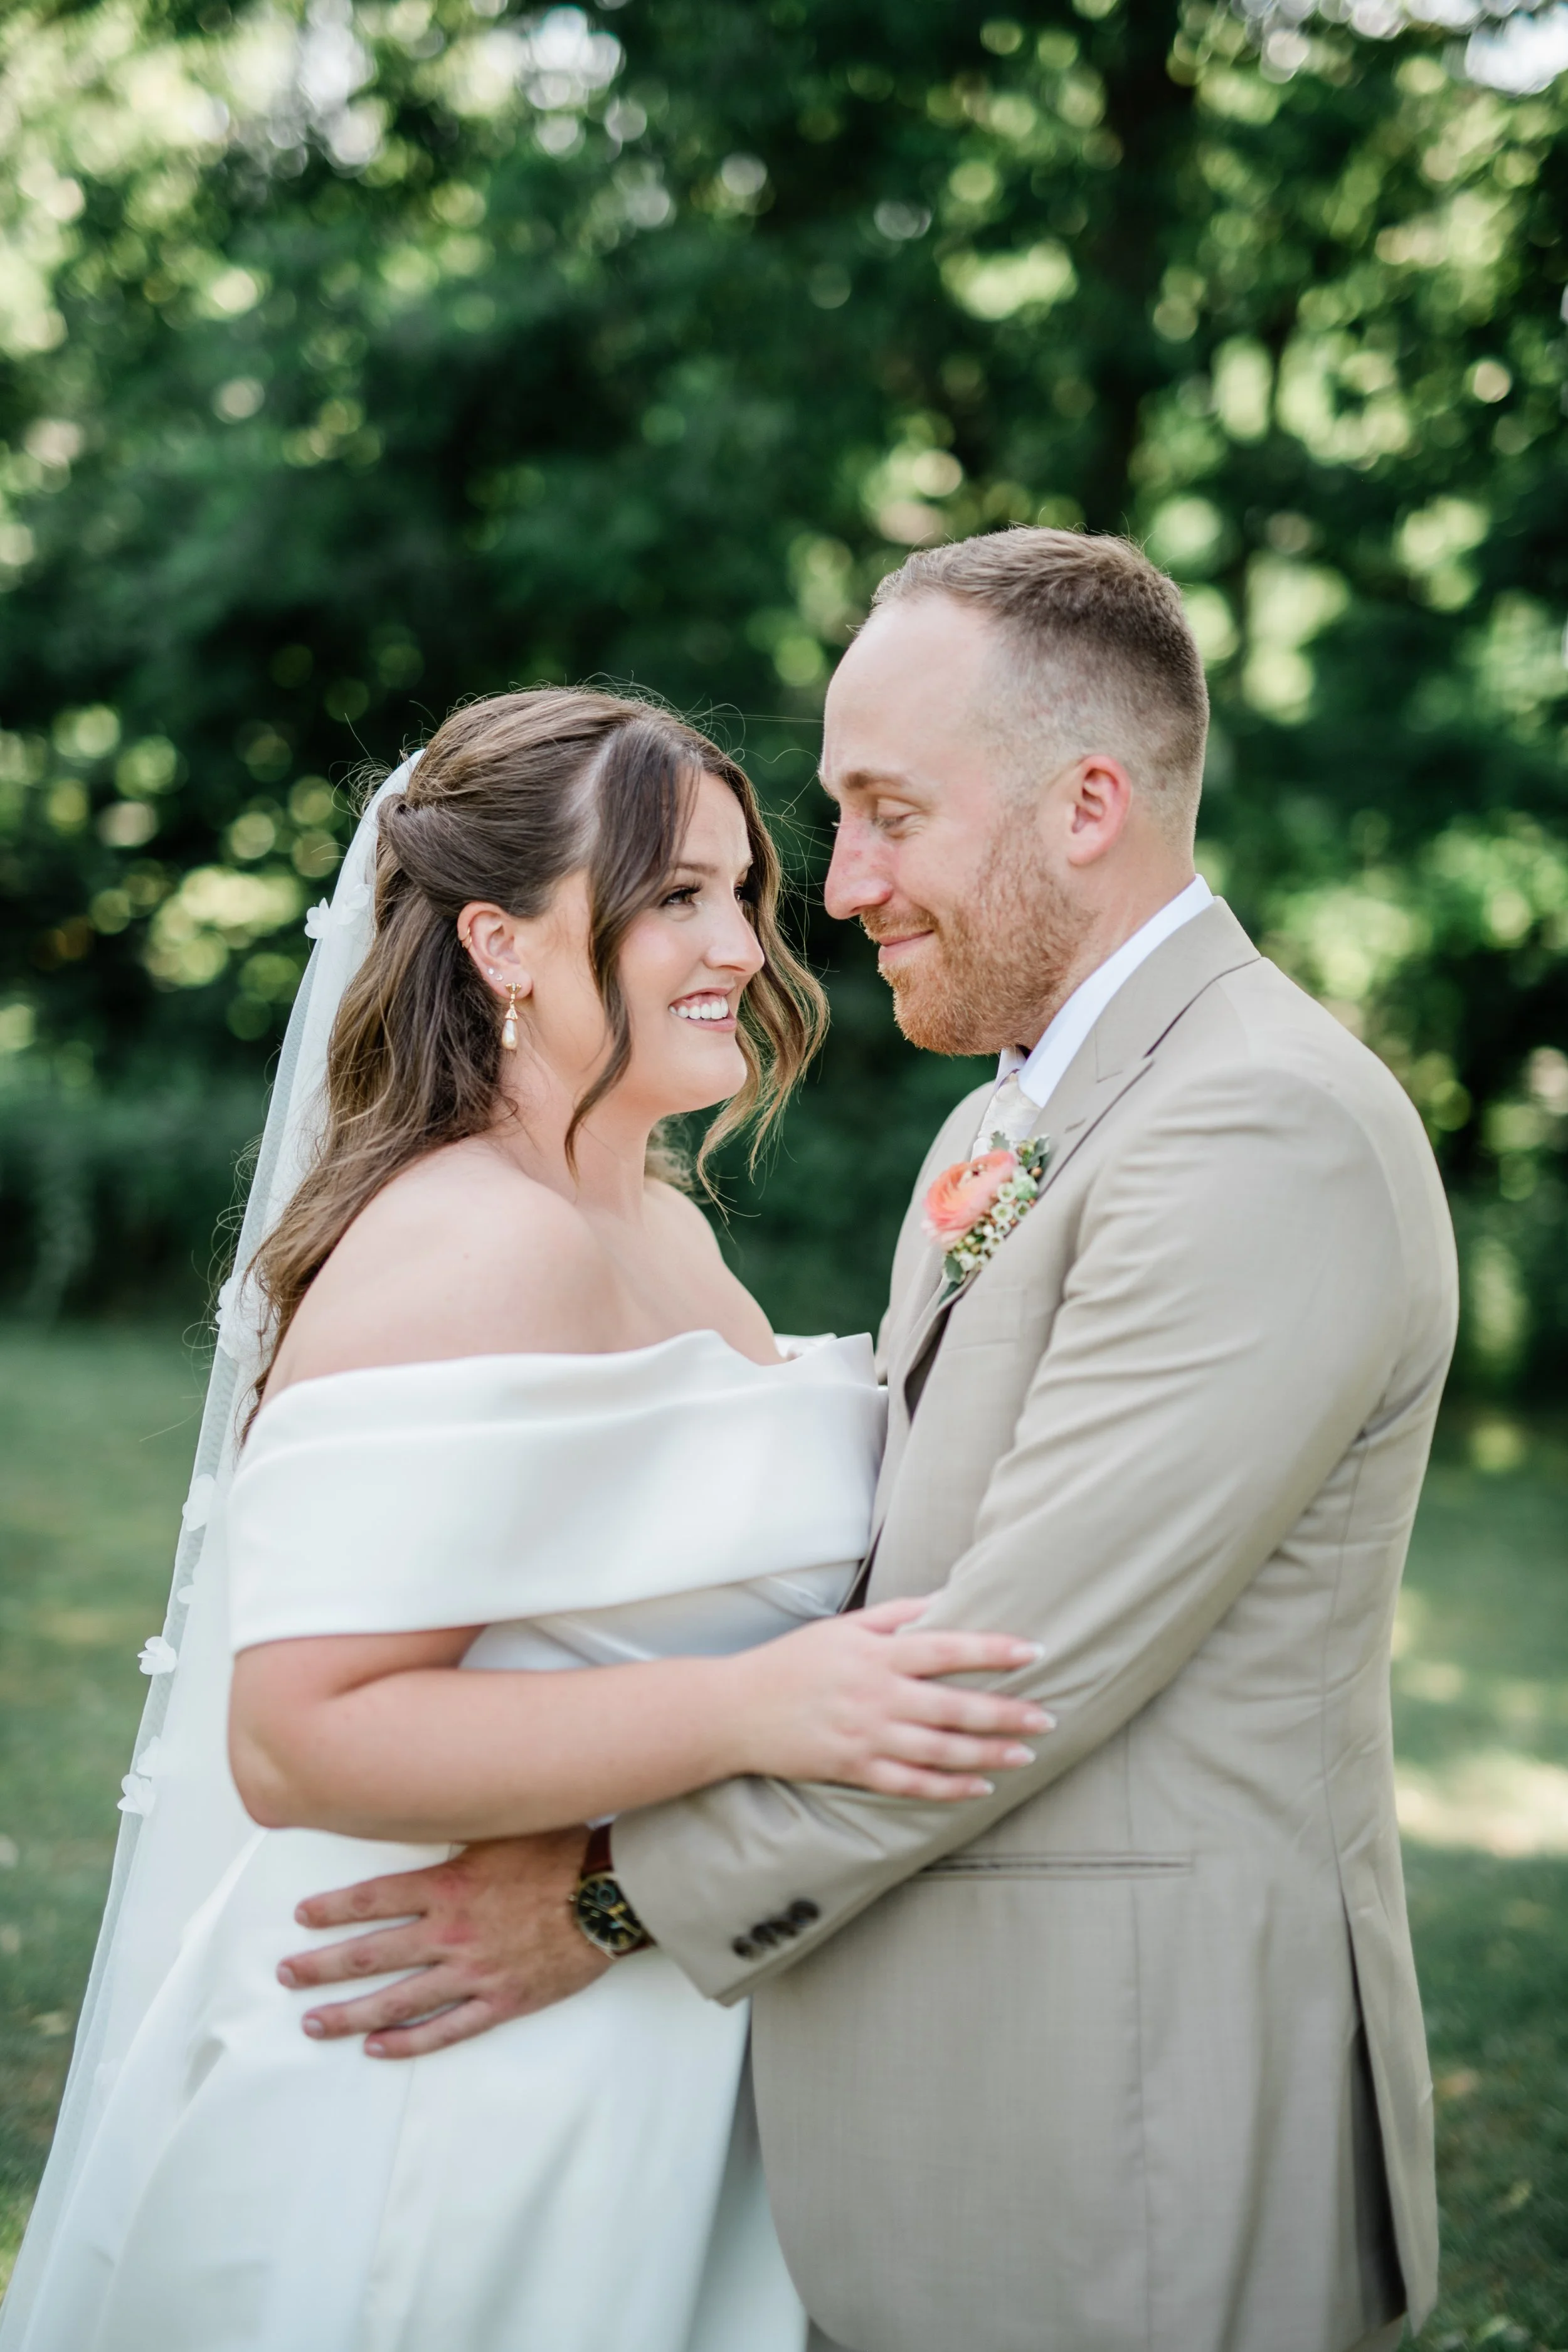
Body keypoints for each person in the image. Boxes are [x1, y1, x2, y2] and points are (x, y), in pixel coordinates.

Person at [282, 531, 1459, 2352]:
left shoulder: (1253, 1129)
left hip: (1122, 2106)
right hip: (915, 2101)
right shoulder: (1012, 1123)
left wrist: (599, 1896)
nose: (832, 894)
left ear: (1085, 804)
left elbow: (1003, 1666)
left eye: (888, 814)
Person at [0, 687, 1050, 2352]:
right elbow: (298, 1735)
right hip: (442, 2086)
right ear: (498, 941)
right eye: (670, 896)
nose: (739, 945)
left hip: (625, 2044)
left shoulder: (658, 1226)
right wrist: (760, 1704)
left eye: (741, 891)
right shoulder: (473, 1240)